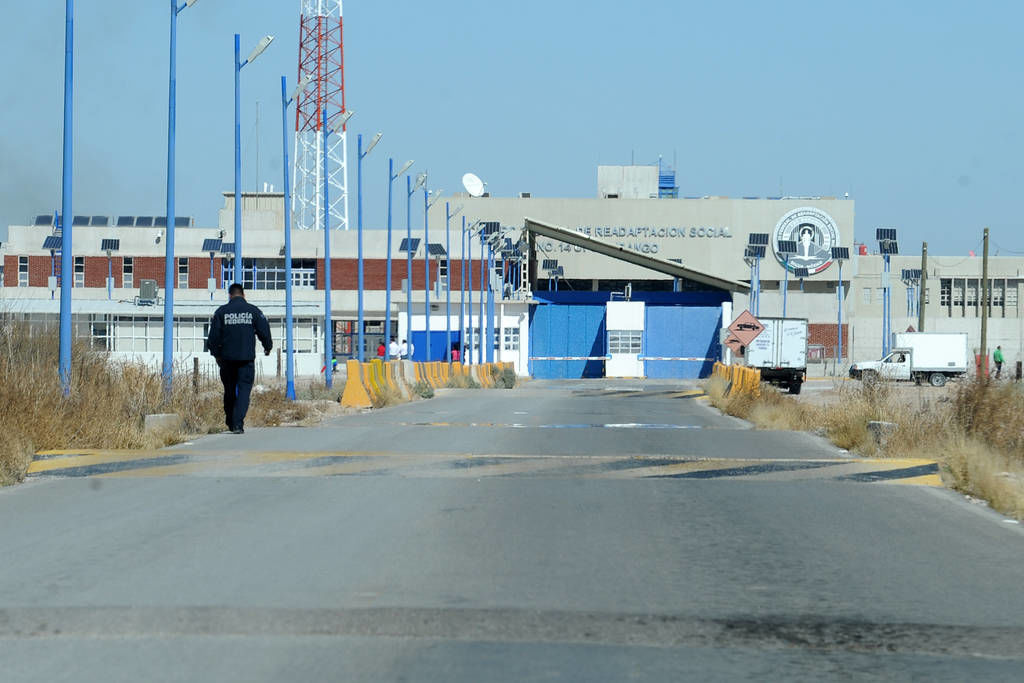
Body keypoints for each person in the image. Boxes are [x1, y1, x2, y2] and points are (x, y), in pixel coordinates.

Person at [206, 283, 273, 434]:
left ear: (229, 295)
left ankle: (230, 420)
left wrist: (216, 354)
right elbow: (264, 331)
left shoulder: (221, 312)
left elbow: (213, 337)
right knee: (244, 391)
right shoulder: (253, 311)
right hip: (246, 359)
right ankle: (237, 424)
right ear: (243, 295)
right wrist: (267, 347)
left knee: (229, 390)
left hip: (227, 359)